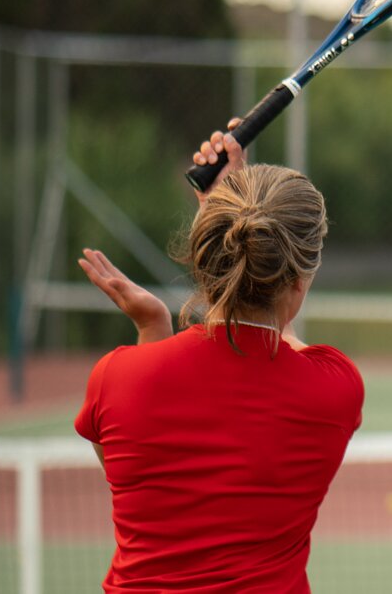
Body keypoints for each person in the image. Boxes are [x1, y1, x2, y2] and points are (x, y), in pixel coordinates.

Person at [73, 120, 364, 593]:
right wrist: (228, 223)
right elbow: (275, 332)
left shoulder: (116, 378)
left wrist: (152, 330)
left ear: (210, 254)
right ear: (297, 282)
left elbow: (144, 483)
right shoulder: (334, 388)